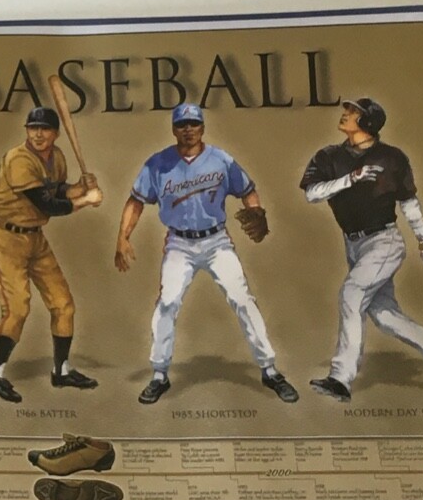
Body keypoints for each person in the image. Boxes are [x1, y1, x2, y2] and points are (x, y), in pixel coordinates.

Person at [115, 102, 298, 405]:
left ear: (202, 127)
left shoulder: (221, 160)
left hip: (216, 242)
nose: (188, 129)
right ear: (174, 129)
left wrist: (255, 210)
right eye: (182, 124)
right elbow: (135, 201)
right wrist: (123, 236)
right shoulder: (157, 164)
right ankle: (159, 374)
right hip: (179, 243)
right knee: (167, 303)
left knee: (242, 299)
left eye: (194, 124)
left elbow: (247, 190)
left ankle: (270, 370)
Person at [301, 97, 423, 401]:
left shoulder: (392, 158)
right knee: (386, 316)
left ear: (367, 122)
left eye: (353, 112)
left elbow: (408, 201)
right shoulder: (328, 156)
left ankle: (340, 378)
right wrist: (349, 179)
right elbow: (312, 194)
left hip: (384, 241)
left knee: (351, 294)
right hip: (353, 245)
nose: (346, 114)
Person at [0, 105, 103, 402]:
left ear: (55, 133)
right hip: (5, 236)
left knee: (63, 305)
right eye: (32, 128)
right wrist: (86, 200)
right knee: (17, 309)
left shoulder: (56, 156)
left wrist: (78, 188)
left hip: (35, 237)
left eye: (44, 129)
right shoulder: (18, 159)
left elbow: (56, 191)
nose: (37, 134)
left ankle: (61, 371)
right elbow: (46, 205)